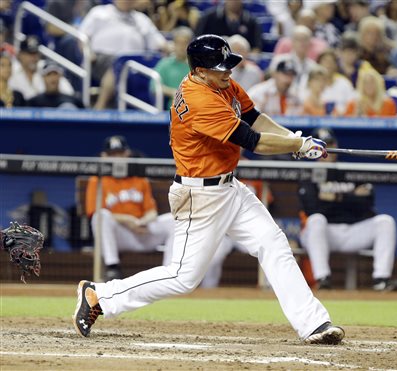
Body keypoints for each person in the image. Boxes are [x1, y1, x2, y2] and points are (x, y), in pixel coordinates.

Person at [73, 34, 344, 345]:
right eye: (220, 68)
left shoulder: (222, 83)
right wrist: (297, 145)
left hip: (229, 187)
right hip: (200, 196)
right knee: (183, 277)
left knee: (273, 243)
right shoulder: (198, 99)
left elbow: (255, 119)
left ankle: (313, 324)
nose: (227, 72)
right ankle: (100, 295)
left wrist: (296, 141)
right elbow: (252, 141)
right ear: (199, 70)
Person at [298, 127, 397, 291]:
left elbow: (366, 203)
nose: (327, 150)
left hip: (353, 231)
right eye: (322, 146)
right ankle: (323, 278)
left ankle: (381, 279)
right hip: (324, 233)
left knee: (385, 222)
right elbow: (312, 208)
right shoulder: (309, 174)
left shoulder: (350, 170)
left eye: (330, 144)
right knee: (317, 220)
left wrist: (335, 197)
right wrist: (351, 197)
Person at [84, 135, 175, 281]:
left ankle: (170, 272)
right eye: (112, 154)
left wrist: (142, 222)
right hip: (119, 237)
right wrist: (128, 220)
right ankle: (112, 267)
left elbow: (151, 212)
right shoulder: (97, 181)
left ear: (128, 154)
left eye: (120, 153)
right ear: (104, 156)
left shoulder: (139, 179)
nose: (117, 158)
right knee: (100, 216)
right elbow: (94, 213)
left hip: (143, 232)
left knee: (173, 220)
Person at [78, 0, 171, 109]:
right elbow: (82, 37)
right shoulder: (99, 12)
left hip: (135, 62)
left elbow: (159, 43)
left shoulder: (141, 19)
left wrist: (169, 47)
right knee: (118, 64)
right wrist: (88, 53)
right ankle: (100, 107)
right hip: (102, 58)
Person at [8, 36, 74, 101]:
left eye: (35, 53)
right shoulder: (11, 70)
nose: (33, 58)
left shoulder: (47, 69)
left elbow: (68, 92)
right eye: (29, 54)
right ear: (20, 55)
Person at [194, 0, 262, 52]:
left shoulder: (251, 21)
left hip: (241, 63)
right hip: (212, 59)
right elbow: (197, 42)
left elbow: (257, 49)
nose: (234, 1)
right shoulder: (208, 18)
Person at [152, 26, 193, 110]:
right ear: (174, 44)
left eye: (185, 43)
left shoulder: (197, 66)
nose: (182, 47)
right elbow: (154, 86)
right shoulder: (165, 64)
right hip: (174, 110)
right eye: (179, 43)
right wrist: (172, 92)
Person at [316, 49, 355, 115]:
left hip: (342, 120)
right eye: (325, 61)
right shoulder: (312, 83)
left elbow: (352, 103)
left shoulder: (344, 83)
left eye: (331, 62)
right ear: (319, 64)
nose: (328, 65)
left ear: (336, 65)